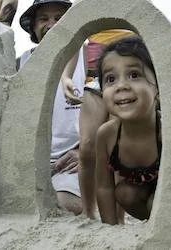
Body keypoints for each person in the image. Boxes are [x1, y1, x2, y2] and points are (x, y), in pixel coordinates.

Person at [18, 0, 85, 215]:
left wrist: (88, 152)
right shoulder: (21, 64)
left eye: (59, 18)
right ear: (33, 27)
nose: (51, 24)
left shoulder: (91, 56)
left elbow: (116, 111)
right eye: (44, 19)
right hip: (32, 162)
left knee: (62, 204)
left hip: (74, 160)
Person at [61, 29, 134, 219]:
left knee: (118, 151)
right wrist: (66, 76)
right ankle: (88, 213)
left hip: (124, 80)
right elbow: (75, 38)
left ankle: (118, 219)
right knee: (86, 148)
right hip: (95, 79)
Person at [95, 37, 161, 225]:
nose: (121, 85)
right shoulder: (106, 136)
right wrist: (110, 232)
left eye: (134, 75)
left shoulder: (165, 131)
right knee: (124, 192)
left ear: (158, 85)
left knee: (156, 201)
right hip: (137, 194)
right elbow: (104, 188)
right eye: (110, 79)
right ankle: (150, 223)